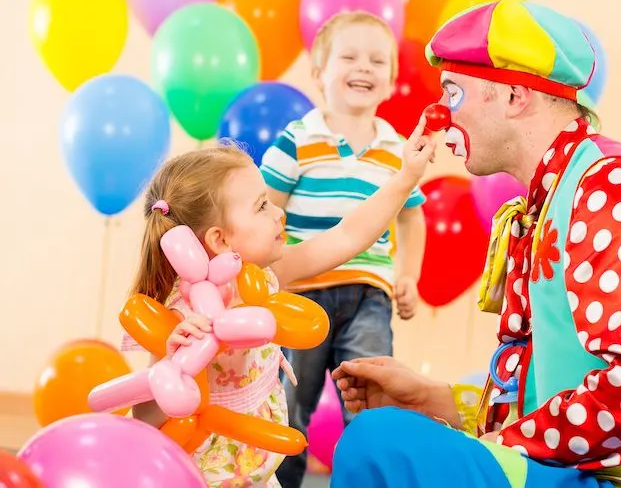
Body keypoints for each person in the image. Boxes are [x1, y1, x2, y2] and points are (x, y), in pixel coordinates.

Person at [329, 0, 621, 488]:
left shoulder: (612, 187)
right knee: (393, 432)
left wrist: (496, 447)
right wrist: (438, 400)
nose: (439, 116)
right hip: (595, 469)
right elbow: (557, 380)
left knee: (379, 444)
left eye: (453, 92)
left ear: (515, 96)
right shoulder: (558, 194)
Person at [119, 123, 437, 488]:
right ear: (220, 239)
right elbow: (146, 417)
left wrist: (405, 178)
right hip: (201, 471)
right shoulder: (185, 313)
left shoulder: (265, 278)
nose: (278, 213)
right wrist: (175, 363)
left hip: (256, 463)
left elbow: (348, 235)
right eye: (261, 206)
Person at [260, 11, 427, 487]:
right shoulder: (298, 139)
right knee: (290, 408)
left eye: (378, 61)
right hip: (300, 296)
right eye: (349, 57)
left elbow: (412, 215)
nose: (365, 67)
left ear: (391, 80)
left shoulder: (397, 150)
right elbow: (266, 209)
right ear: (319, 74)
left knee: (373, 401)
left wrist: (407, 275)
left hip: (368, 295)